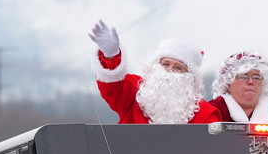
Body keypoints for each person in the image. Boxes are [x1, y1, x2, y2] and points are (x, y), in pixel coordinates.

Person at [89, 19, 220, 125]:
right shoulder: (134, 91)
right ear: (155, 66)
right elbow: (112, 86)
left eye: (178, 68)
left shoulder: (205, 114)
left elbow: (210, 149)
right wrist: (111, 55)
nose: (170, 70)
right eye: (165, 64)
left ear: (190, 77)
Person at [207, 51, 268, 124]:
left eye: (256, 77)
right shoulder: (214, 111)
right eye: (243, 77)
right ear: (228, 84)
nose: (251, 82)